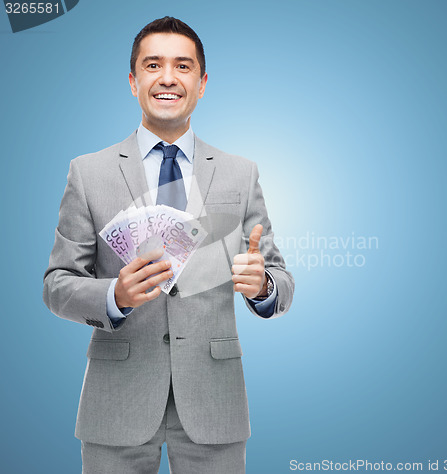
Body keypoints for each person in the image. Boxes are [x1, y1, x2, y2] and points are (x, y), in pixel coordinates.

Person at [43, 16, 294, 474]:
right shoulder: (88, 172)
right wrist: (112, 297)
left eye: (183, 66)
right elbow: (57, 285)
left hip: (214, 401)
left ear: (201, 83)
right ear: (133, 81)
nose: (167, 77)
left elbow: (280, 279)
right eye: (153, 64)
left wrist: (263, 287)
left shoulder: (242, 173)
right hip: (116, 401)